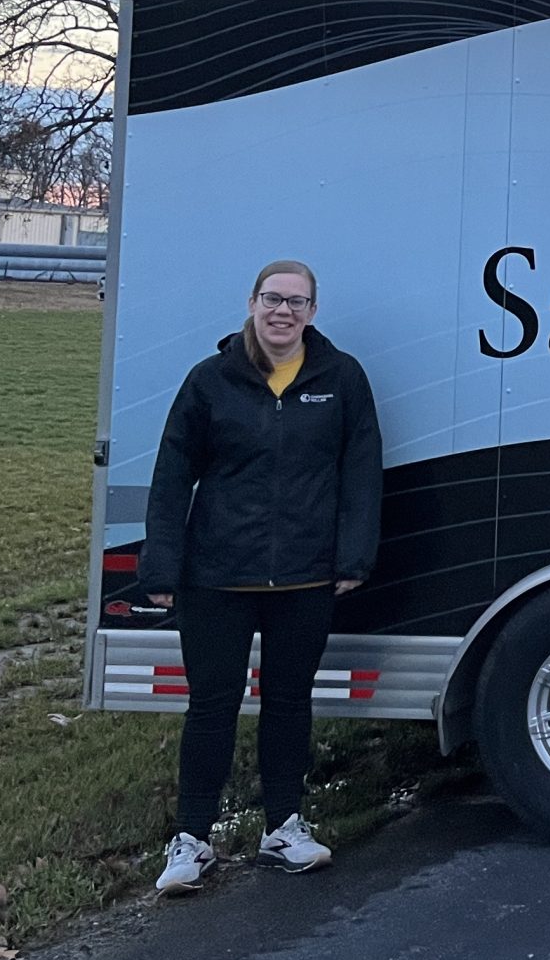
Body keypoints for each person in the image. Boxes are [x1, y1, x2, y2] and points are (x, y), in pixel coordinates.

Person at [138, 260, 384, 894]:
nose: (285, 312)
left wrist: (353, 558)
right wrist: (161, 565)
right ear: (251, 303)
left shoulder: (341, 378)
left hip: (304, 579)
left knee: (287, 706)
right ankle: (192, 840)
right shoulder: (211, 380)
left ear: (313, 312)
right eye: (274, 299)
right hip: (216, 577)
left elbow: (361, 472)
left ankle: (285, 830)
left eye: (298, 302)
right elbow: (171, 476)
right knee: (212, 708)